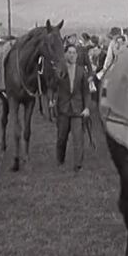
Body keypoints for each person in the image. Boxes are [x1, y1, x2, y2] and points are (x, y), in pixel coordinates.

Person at [55, 44, 92, 172]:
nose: (72, 55)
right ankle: (60, 159)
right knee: (62, 138)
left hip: (77, 109)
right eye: (69, 52)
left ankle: (78, 165)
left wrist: (87, 107)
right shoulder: (60, 69)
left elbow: (86, 92)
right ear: (65, 54)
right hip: (63, 109)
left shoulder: (81, 71)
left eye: (74, 53)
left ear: (77, 55)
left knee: (78, 137)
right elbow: (54, 84)